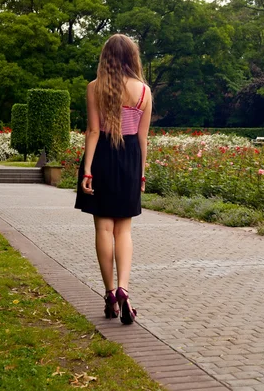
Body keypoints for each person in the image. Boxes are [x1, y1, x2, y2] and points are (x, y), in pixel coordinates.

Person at [74, 34, 152, 324]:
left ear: (106, 56)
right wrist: (142, 172)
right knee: (125, 231)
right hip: (130, 158)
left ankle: (109, 294)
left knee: (104, 229)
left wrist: (88, 170)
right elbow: (143, 137)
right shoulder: (144, 92)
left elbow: (93, 132)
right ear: (132, 57)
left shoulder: (95, 88)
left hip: (103, 157)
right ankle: (124, 288)